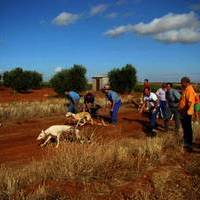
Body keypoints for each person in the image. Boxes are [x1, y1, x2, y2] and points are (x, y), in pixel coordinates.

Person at [179, 77, 196, 152]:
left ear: (186, 82)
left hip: (186, 112)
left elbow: (189, 102)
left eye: (182, 82)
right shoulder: (186, 89)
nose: (181, 84)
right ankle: (186, 141)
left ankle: (188, 143)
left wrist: (183, 111)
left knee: (187, 128)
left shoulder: (189, 89)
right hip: (184, 112)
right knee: (185, 128)